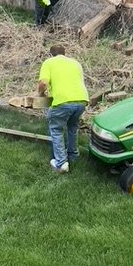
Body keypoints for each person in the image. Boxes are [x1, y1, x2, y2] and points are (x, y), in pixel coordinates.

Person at [38, 43, 89, 174]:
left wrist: (41, 95)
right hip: (81, 100)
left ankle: (61, 163)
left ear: (52, 54)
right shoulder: (75, 63)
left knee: (56, 129)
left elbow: (43, 83)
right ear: (64, 53)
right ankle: (73, 156)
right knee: (72, 127)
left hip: (62, 101)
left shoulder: (49, 62)